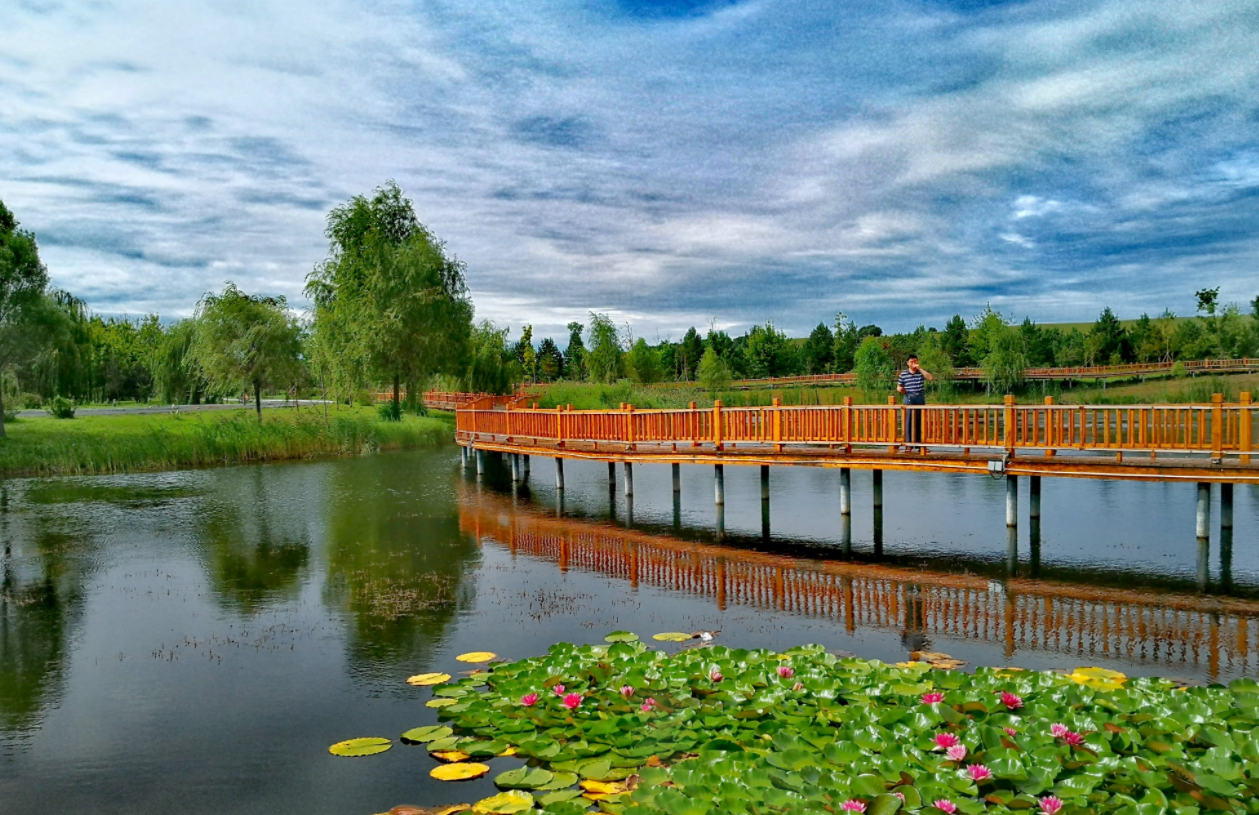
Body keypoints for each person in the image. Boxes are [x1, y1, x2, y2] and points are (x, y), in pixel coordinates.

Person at [897, 354, 933, 449]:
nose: (914, 364)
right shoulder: (903, 374)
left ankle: (920, 445)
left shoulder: (921, 372)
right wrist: (900, 389)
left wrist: (920, 369)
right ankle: (909, 445)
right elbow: (899, 386)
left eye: (916, 361)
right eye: (912, 362)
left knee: (920, 421)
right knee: (909, 421)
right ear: (908, 363)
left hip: (919, 397)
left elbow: (930, 378)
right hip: (909, 397)